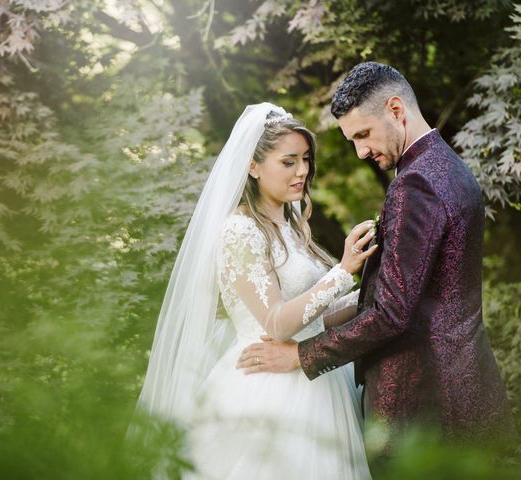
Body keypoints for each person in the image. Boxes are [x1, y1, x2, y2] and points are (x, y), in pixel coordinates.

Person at [237, 63, 513, 446]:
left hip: (423, 401)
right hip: (463, 380)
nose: (361, 151)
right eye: (352, 140)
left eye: (363, 134)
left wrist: (302, 356)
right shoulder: (448, 167)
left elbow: (391, 312)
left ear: (396, 110)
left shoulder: (415, 184)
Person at [137, 102, 373, 479]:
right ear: (252, 166)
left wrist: (371, 289)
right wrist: (343, 271)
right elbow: (277, 323)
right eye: (289, 161)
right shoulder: (240, 231)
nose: (302, 171)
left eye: (306, 160)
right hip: (268, 390)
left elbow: (316, 317)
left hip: (317, 378)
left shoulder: (292, 223)